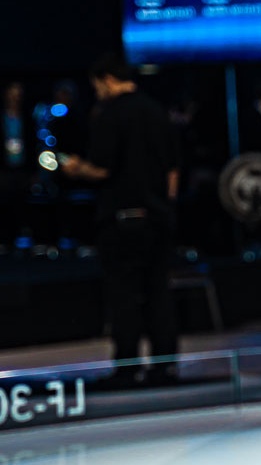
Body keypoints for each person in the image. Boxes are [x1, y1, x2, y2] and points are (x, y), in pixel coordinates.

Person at [61, 53, 181, 386]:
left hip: (121, 218)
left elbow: (102, 169)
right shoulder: (157, 111)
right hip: (158, 217)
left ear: (108, 79)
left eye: (96, 86)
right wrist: (165, 207)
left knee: (124, 295)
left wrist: (75, 168)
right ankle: (165, 366)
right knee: (158, 292)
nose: (97, 92)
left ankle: (128, 368)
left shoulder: (110, 114)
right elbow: (173, 170)